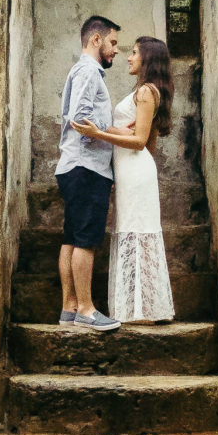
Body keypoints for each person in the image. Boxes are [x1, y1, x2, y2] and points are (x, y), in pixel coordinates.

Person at [71, 36, 175, 324]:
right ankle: (140, 308)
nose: (129, 57)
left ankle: (143, 310)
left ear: (148, 59)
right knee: (133, 231)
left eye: (135, 53)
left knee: (137, 231)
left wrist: (98, 134)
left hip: (137, 171)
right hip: (133, 171)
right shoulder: (146, 91)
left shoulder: (145, 92)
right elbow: (148, 142)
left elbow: (141, 141)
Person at [55, 16, 124, 331]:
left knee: (71, 238)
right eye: (113, 43)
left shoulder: (82, 71)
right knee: (86, 240)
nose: (116, 51)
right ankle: (85, 309)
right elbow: (80, 119)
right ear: (96, 39)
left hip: (74, 166)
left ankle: (69, 308)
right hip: (87, 167)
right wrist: (112, 134)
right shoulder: (88, 71)